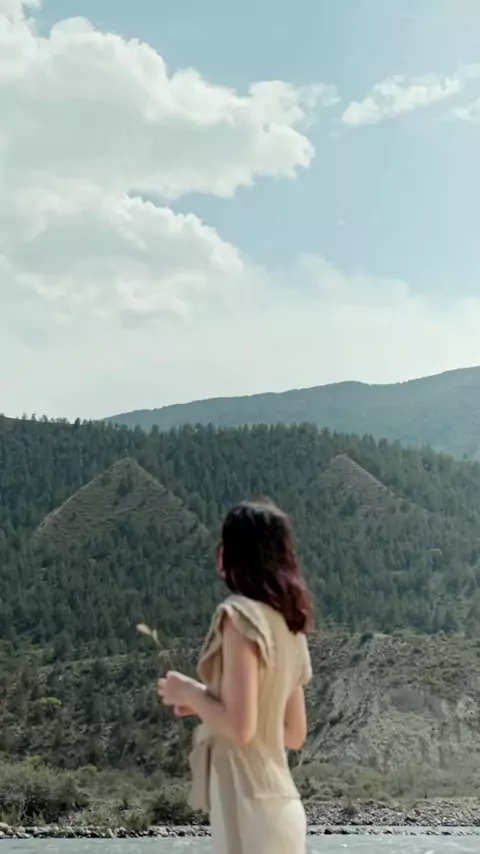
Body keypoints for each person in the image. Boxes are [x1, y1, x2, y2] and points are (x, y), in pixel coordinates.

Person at [158, 498, 314, 854]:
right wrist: (207, 699)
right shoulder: (291, 629)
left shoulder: (239, 616)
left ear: (228, 555)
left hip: (249, 808)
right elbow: (294, 733)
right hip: (284, 806)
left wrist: (190, 692)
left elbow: (241, 728)